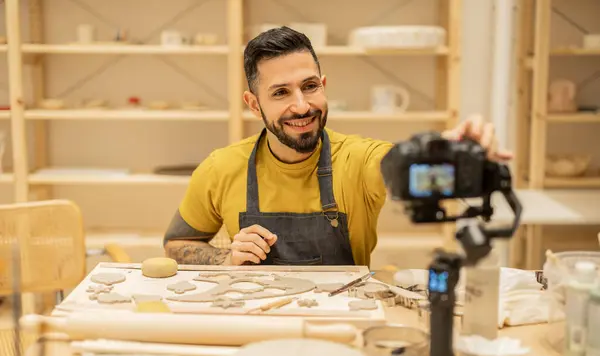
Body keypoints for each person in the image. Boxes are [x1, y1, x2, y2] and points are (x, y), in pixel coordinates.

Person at [163, 26, 512, 267]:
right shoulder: (221, 167)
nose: (301, 105)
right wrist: (227, 258)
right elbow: (176, 245)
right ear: (253, 104)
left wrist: (458, 148)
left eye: (310, 86)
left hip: (345, 321)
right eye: (281, 92)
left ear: (324, 85)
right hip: (256, 321)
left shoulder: (359, 160)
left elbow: (406, 165)